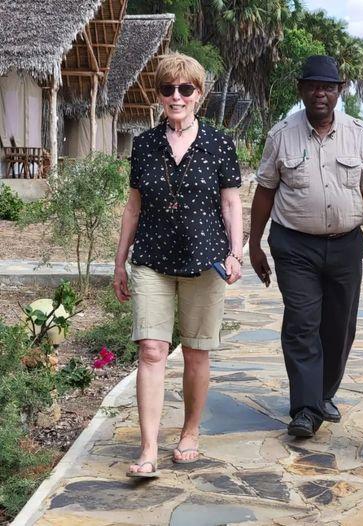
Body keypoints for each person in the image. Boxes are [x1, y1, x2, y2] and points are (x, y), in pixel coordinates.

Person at [113, 52, 243, 477]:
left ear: (198, 95)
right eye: (167, 89)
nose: (176, 96)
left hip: (205, 261)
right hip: (151, 258)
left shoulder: (219, 143)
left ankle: (189, 431)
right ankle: (148, 448)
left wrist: (235, 252)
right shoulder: (145, 145)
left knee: (196, 352)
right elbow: (133, 207)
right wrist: (120, 263)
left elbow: (230, 202)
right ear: (159, 95)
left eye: (185, 89)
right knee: (151, 350)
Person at [250, 55, 363, 437]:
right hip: (294, 246)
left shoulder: (358, 134)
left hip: (346, 246)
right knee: (302, 323)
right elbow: (265, 190)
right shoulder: (281, 135)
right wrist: (254, 244)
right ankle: (306, 409)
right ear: (301, 90)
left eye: (328, 86)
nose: (320, 93)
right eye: (312, 86)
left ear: (339, 91)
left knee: (340, 326)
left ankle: (324, 394)